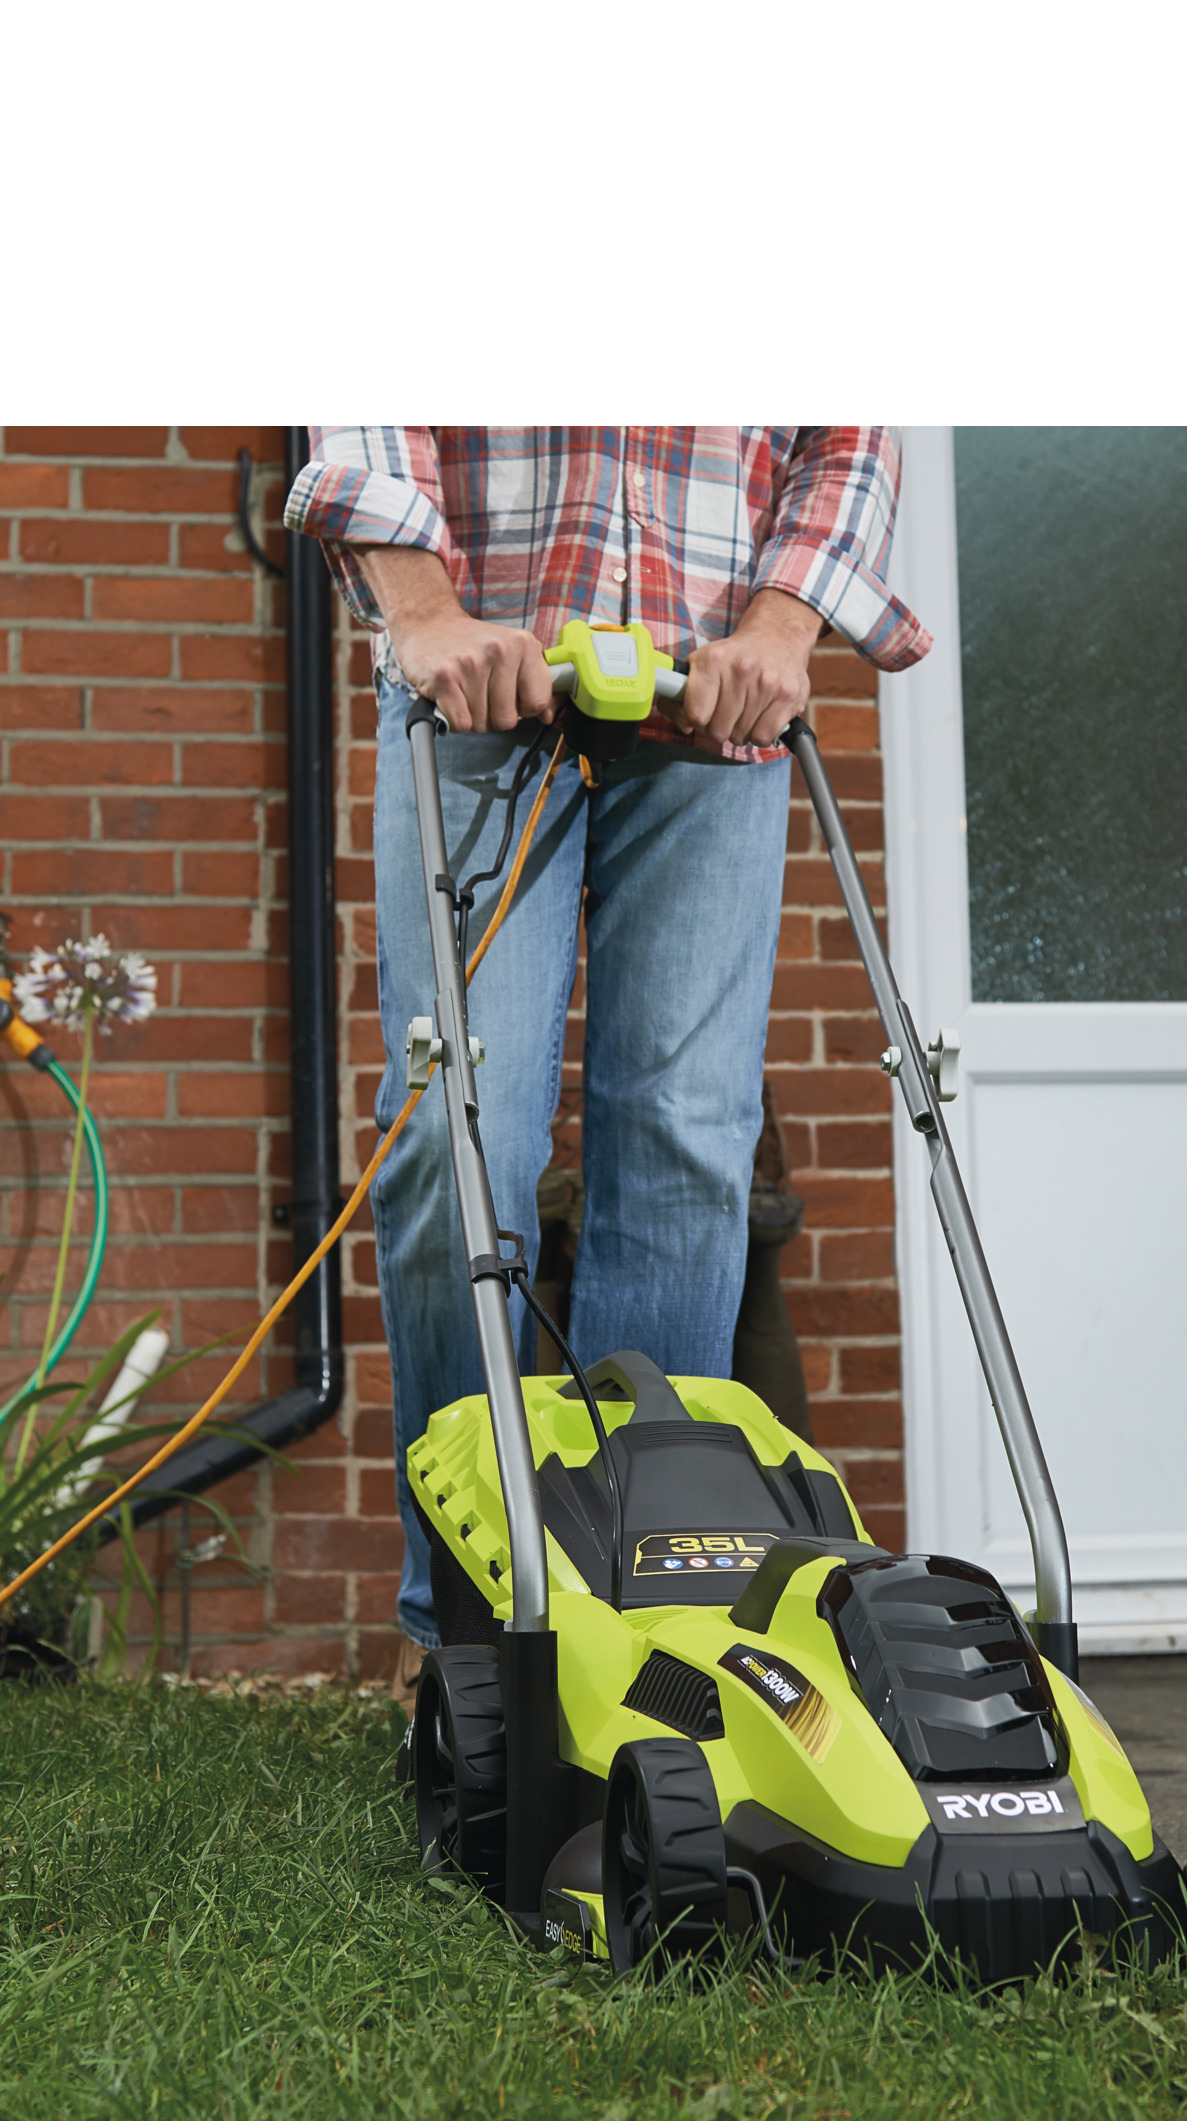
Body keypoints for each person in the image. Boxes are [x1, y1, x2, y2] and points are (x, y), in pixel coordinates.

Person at [283, 429, 929, 1675]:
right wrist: (421, 610)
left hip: (713, 705)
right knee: (458, 1132)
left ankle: (654, 1612)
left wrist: (781, 628)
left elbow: (847, 430)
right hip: (480, 692)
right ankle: (468, 1632)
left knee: (686, 1143)